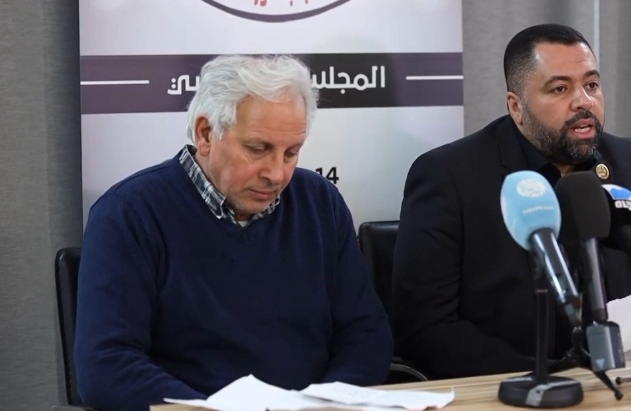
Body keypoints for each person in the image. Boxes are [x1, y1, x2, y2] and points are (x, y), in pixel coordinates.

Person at [74, 54, 393, 411]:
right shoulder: (129, 214)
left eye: (291, 153)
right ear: (206, 134)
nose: (276, 173)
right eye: (258, 149)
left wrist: (327, 404)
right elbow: (107, 365)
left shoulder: (319, 201)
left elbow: (365, 333)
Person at [392, 24, 631, 379]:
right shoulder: (449, 176)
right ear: (516, 106)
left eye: (592, 84)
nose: (583, 101)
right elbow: (425, 328)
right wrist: (551, 377)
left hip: (626, 382)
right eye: (560, 88)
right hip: (507, 388)